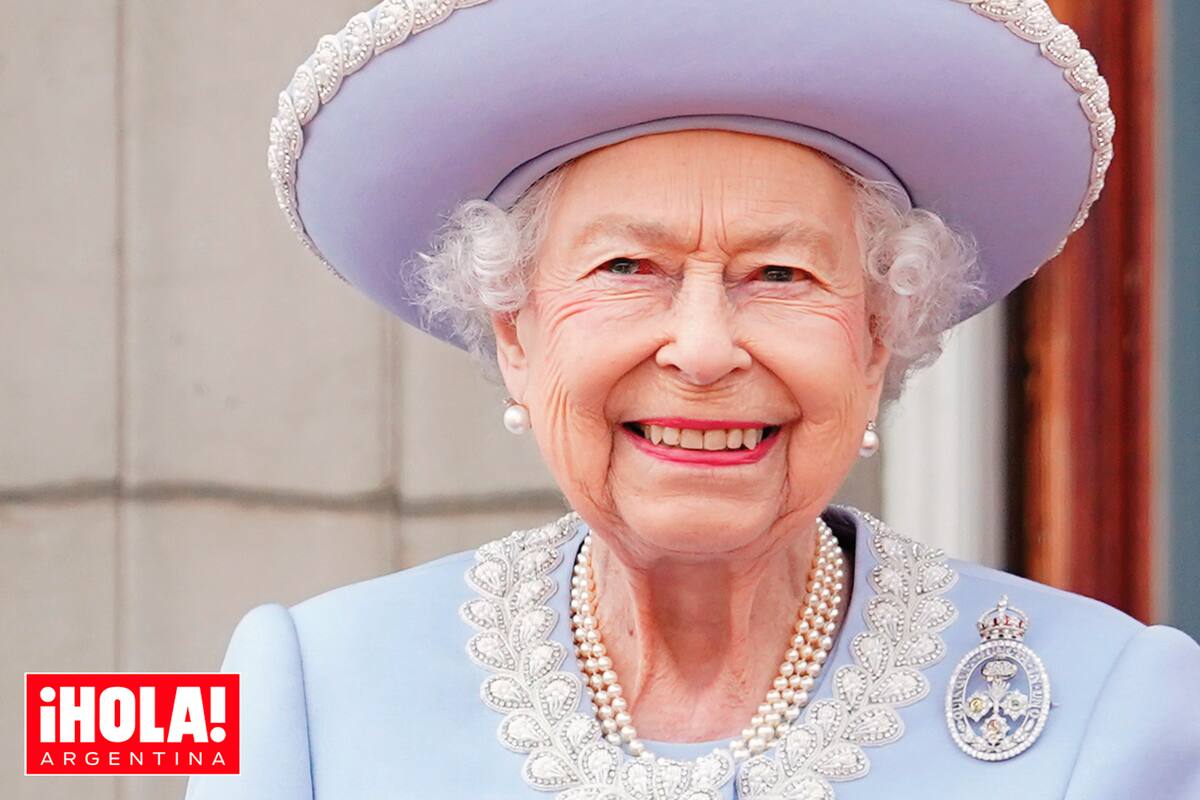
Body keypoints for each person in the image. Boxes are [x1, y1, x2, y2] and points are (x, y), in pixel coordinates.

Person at [191, 1, 1200, 798]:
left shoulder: (1111, 704)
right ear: (515, 330)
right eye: (630, 265)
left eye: (780, 275)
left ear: (880, 335)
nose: (707, 348)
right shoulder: (313, 690)